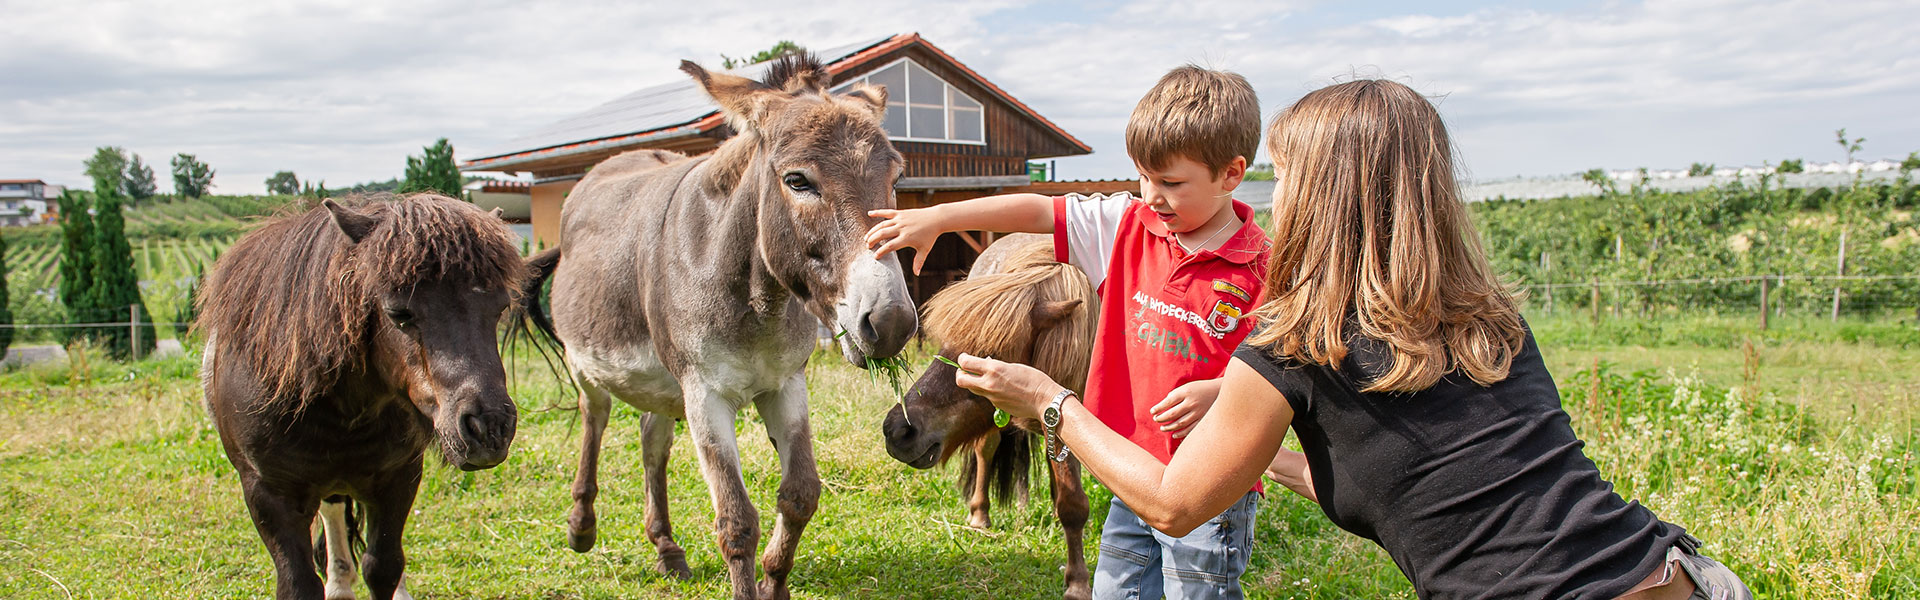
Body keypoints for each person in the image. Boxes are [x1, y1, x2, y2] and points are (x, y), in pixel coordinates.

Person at [956, 79, 1753, 600]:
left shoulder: (1295, 344)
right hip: (1677, 574)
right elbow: (1406, 476)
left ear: (1324, 194)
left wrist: (1050, 402)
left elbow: (1171, 505)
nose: (1279, 190)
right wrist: (1245, 443)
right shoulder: (1487, 318)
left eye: (1290, 173)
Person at [867, 65, 1271, 599]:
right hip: (1132, 472)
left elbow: (1279, 363)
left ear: (1232, 174)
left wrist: (1223, 390)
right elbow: (1038, 209)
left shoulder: (1263, 266)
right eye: (1143, 177)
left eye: (1171, 183)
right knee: (1114, 592)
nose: (1151, 196)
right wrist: (939, 218)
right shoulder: (1127, 226)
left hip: (1211, 487)